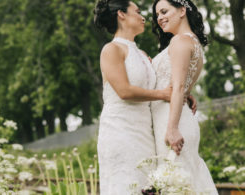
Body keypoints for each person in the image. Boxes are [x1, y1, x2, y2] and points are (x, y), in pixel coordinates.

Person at [93, 0, 196, 193]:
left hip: (145, 133)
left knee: (145, 187)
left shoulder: (141, 54)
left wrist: (183, 94)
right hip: (121, 131)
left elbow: (159, 81)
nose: (144, 17)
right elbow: (124, 91)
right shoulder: (111, 49)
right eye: (138, 11)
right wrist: (163, 94)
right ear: (121, 15)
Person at [151, 0, 218, 193]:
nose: (160, 18)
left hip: (172, 122)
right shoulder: (191, 41)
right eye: (157, 15)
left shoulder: (180, 41)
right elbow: (181, 85)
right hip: (178, 115)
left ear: (182, 10)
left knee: (177, 184)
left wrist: (172, 129)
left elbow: (178, 86)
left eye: (164, 11)